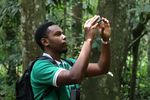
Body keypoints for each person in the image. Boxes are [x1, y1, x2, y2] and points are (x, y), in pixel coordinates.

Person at [31, 15, 111, 100]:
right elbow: (74, 77)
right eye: (58, 34)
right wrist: (88, 40)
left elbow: (101, 68)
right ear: (45, 42)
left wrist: (105, 40)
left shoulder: (68, 63)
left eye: (62, 33)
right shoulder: (40, 67)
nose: (64, 37)